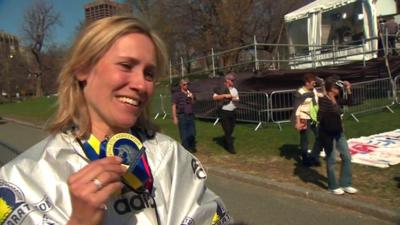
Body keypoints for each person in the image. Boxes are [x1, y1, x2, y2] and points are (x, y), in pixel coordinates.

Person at [0, 16, 232, 225]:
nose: (141, 85)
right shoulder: (24, 177)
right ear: (83, 69)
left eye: (149, 73)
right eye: (126, 66)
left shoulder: (169, 154)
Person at [317, 76, 358, 195]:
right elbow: (320, 117)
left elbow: (350, 102)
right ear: (331, 89)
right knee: (331, 159)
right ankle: (333, 186)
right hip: (328, 133)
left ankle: (346, 184)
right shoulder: (324, 100)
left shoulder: (336, 99)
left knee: (347, 157)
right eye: (336, 87)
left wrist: (348, 89)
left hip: (339, 132)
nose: (339, 89)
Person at [293, 73, 323, 167]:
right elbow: (297, 108)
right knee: (305, 139)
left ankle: (314, 156)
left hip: (314, 117)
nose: (314, 85)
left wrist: (323, 85)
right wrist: (297, 122)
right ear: (307, 83)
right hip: (304, 118)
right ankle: (305, 159)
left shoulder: (313, 90)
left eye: (315, 83)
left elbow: (322, 95)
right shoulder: (300, 92)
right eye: (313, 83)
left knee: (320, 136)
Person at [213, 72, 239, 154]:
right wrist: (224, 96)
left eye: (233, 80)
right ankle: (231, 148)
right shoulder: (220, 88)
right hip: (224, 111)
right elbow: (215, 97)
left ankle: (225, 140)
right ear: (227, 80)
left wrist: (233, 98)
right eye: (231, 80)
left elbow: (237, 99)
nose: (233, 82)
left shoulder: (234, 90)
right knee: (227, 130)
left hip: (233, 111)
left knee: (231, 129)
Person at [172, 78, 196, 152]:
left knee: (192, 132)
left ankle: (191, 147)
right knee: (184, 133)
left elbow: (193, 103)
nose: (186, 86)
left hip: (190, 115)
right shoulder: (177, 94)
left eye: (187, 84)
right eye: (184, 84)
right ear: (181, 85)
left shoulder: (190, 93)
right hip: (182, 115)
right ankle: (186, 148)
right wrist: (174, 117)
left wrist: (192, 98)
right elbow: (174, 105)